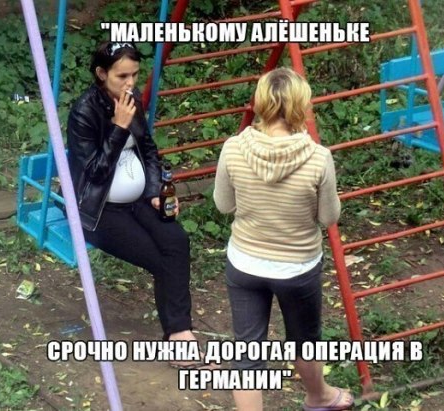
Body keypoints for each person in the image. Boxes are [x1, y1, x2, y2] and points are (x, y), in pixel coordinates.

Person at [213, 68, 354, 410]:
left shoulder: (233, 148)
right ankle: (319, 397)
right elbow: (328, 217)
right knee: (305, 341)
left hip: (244, 263)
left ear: (260, 103)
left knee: (247, 353)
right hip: (297, 268)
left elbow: (224, 205)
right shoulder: (318, 158)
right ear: (300, 106)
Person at [67, 41, 204, 368]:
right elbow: (95, 173)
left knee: (177, 241)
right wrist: (118, 127)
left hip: (138, 200)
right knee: (160, 259)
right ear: (102, 74)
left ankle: (179, 334)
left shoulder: (132, 99)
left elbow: (149, 150)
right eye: (122, 76)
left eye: (135, 75)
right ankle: (179, 337)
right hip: (98, 210)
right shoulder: (83, 112)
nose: (130, 83)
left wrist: (155, 190)